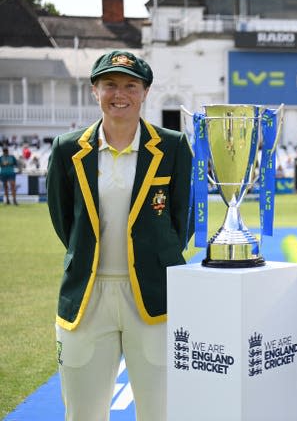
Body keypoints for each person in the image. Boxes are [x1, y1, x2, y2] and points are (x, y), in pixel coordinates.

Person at [46, 50, 193, 421]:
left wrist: (153, 256)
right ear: (94, 90)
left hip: (155, 295)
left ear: (145, 93)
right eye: (109, 84)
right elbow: (64, 220)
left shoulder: (173, 146)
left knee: (160, 412)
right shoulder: (67, 149)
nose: (119, 93)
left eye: (131, 85)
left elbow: (184, 219)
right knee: (83, 413)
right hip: (87, 294)